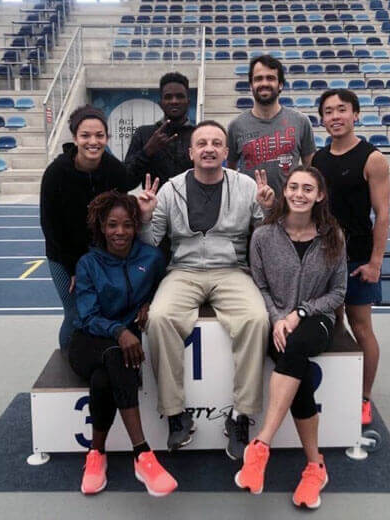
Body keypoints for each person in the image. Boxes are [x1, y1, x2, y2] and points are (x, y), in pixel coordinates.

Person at [136, 120, 276, 460]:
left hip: (231, 271)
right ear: (191, 152)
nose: (209, 148)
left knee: (256, 319)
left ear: (226, 152)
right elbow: (152, 239)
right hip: (183, 270)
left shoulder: (245, 185)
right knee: (161, 317)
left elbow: (267, 236)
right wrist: (144, 216)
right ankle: (175, 414)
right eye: (202, 143)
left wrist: (269, 208)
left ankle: (241, 415)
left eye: (216, 143)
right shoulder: (170, 189)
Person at [235, 166, 347, 509]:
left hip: (317, 319)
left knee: (296, 348)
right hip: (277, 321)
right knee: (295, 366)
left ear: (319, 196)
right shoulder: (263, 236)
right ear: (285, 192)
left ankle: (261, 445)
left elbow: (339, 291)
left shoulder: (333, 237)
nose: (299, 194)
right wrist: (277, 318)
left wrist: (299, 314)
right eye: (294, 187)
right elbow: (260, 286)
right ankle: (315, 467)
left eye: (308, 189)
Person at [70, 190, 176, 497]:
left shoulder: (152, 258)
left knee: (108, 375)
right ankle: (142, 453)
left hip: (120, 349)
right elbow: (87, 316)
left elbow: (166, 287)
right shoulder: (89, 263)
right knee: (119, 355)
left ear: (136, 226)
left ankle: (96, 454)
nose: (120, 232)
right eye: (113, 225)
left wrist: (152, 303)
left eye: (127, 225)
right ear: (102, 227)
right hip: (88, 341)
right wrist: (119, 330)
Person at [311, 89, 390, 426]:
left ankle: (364, 397)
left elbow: (382, 215)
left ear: (356, 114)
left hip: (358, 258)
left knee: (361, 327)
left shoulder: (372, 159)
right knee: (334, 325)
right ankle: (338, 386)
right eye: (328, 112)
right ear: (322, 119)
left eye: (341, 110)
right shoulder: (316, 160)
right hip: (325, 258)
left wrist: (375, 263)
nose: (335, 117)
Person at [39, 105, 139, 351]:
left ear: (107, 137)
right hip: (64, 257)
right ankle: (70, 363)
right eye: (85, 135)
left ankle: (98, 360)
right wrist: (74, 267)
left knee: (104, 312)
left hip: (100, 255)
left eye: (99, 135)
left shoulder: (112, 169)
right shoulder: (55, 174)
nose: (93, 141)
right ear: (75, 138)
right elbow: (50, 227)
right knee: (76, 313)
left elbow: (126, 194)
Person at [226, 54, 317, 197]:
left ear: (280, 84)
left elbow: (311, 170)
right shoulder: (236, 126)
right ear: (251, 85)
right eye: (258, 79)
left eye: (270, 78)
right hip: (250, 211)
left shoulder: (300, 121)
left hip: (290, 210)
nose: (264, 83)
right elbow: (230, 172)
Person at [124, 71, 195, 185]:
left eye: (180, 96)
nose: (174, 101)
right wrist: (146, 152)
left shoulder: (198, 135)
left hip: (192, 202)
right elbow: (127, 181)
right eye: (168, 97)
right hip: (155, 202)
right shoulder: (144, 134)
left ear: (188, 102)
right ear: (160, 103)